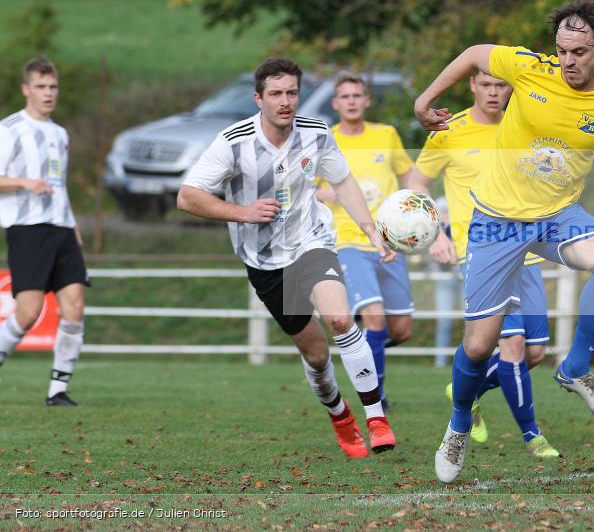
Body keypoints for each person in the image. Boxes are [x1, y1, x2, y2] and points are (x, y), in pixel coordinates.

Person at [414, 0, 594, 482]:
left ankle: (575, 368)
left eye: (579, 51)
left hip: (557, 215)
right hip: (497, 219)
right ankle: (458, 427)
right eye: (562, 50)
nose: (568, 61)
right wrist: (422, 101)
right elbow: (476, 53)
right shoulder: (530, 68)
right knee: (478, 348)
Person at [177, 57, 396, 458]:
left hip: (312, 242)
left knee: (340, 319)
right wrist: (242, 212)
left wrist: (369, 229)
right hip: (265, 263)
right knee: (316, 355)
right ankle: (340, 415)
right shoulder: (233, 142)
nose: (285, 101)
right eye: (275, 94)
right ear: (258, 98)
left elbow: (343, 181)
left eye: (292, 92)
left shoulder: (315, 133)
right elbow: (187, 196)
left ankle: (377, 417)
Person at [408, 70, 560, 459]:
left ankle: (465, 388)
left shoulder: (523, 127)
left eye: (501, 85)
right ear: (472, 85)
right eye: (487, 85)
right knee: (511, 343)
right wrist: (436, 235)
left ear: (511, 88)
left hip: (525, 252)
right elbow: (416, 183)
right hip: (481, 255)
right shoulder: (449, 130)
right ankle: (533, 436)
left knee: (535, 354)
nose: (494, 92)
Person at [314, 74, 414, 413]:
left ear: (367, 100)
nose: (352, 101)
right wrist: (322, 193)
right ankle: (377, 400)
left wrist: (422, 211)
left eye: (358, 95)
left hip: (390, 242)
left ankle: (358, 353)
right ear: (336, 103)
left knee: (400, 330)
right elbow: (299, 188)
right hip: (348, 242)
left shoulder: (386, 135)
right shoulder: (325, 140)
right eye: (345, 96)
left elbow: (409, 176)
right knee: (374, 318)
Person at [0, 56, 90, 407]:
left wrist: (74, 224)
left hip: (62, 229)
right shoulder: (9, 130)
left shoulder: (59, 133)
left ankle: (58, 390)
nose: (48, 93)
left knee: (75, 307)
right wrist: (22, 182)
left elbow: (60, 185)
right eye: (40, 86)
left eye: (52, 86)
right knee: (28, 313)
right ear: (26, 90)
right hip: (28, 230)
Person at [429, 196, 460, 368]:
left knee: (474, 322)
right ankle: (440, 362)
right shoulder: (438, 203)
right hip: (444, 276)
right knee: (444, 321)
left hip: (466, 274)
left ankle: (469, 362)